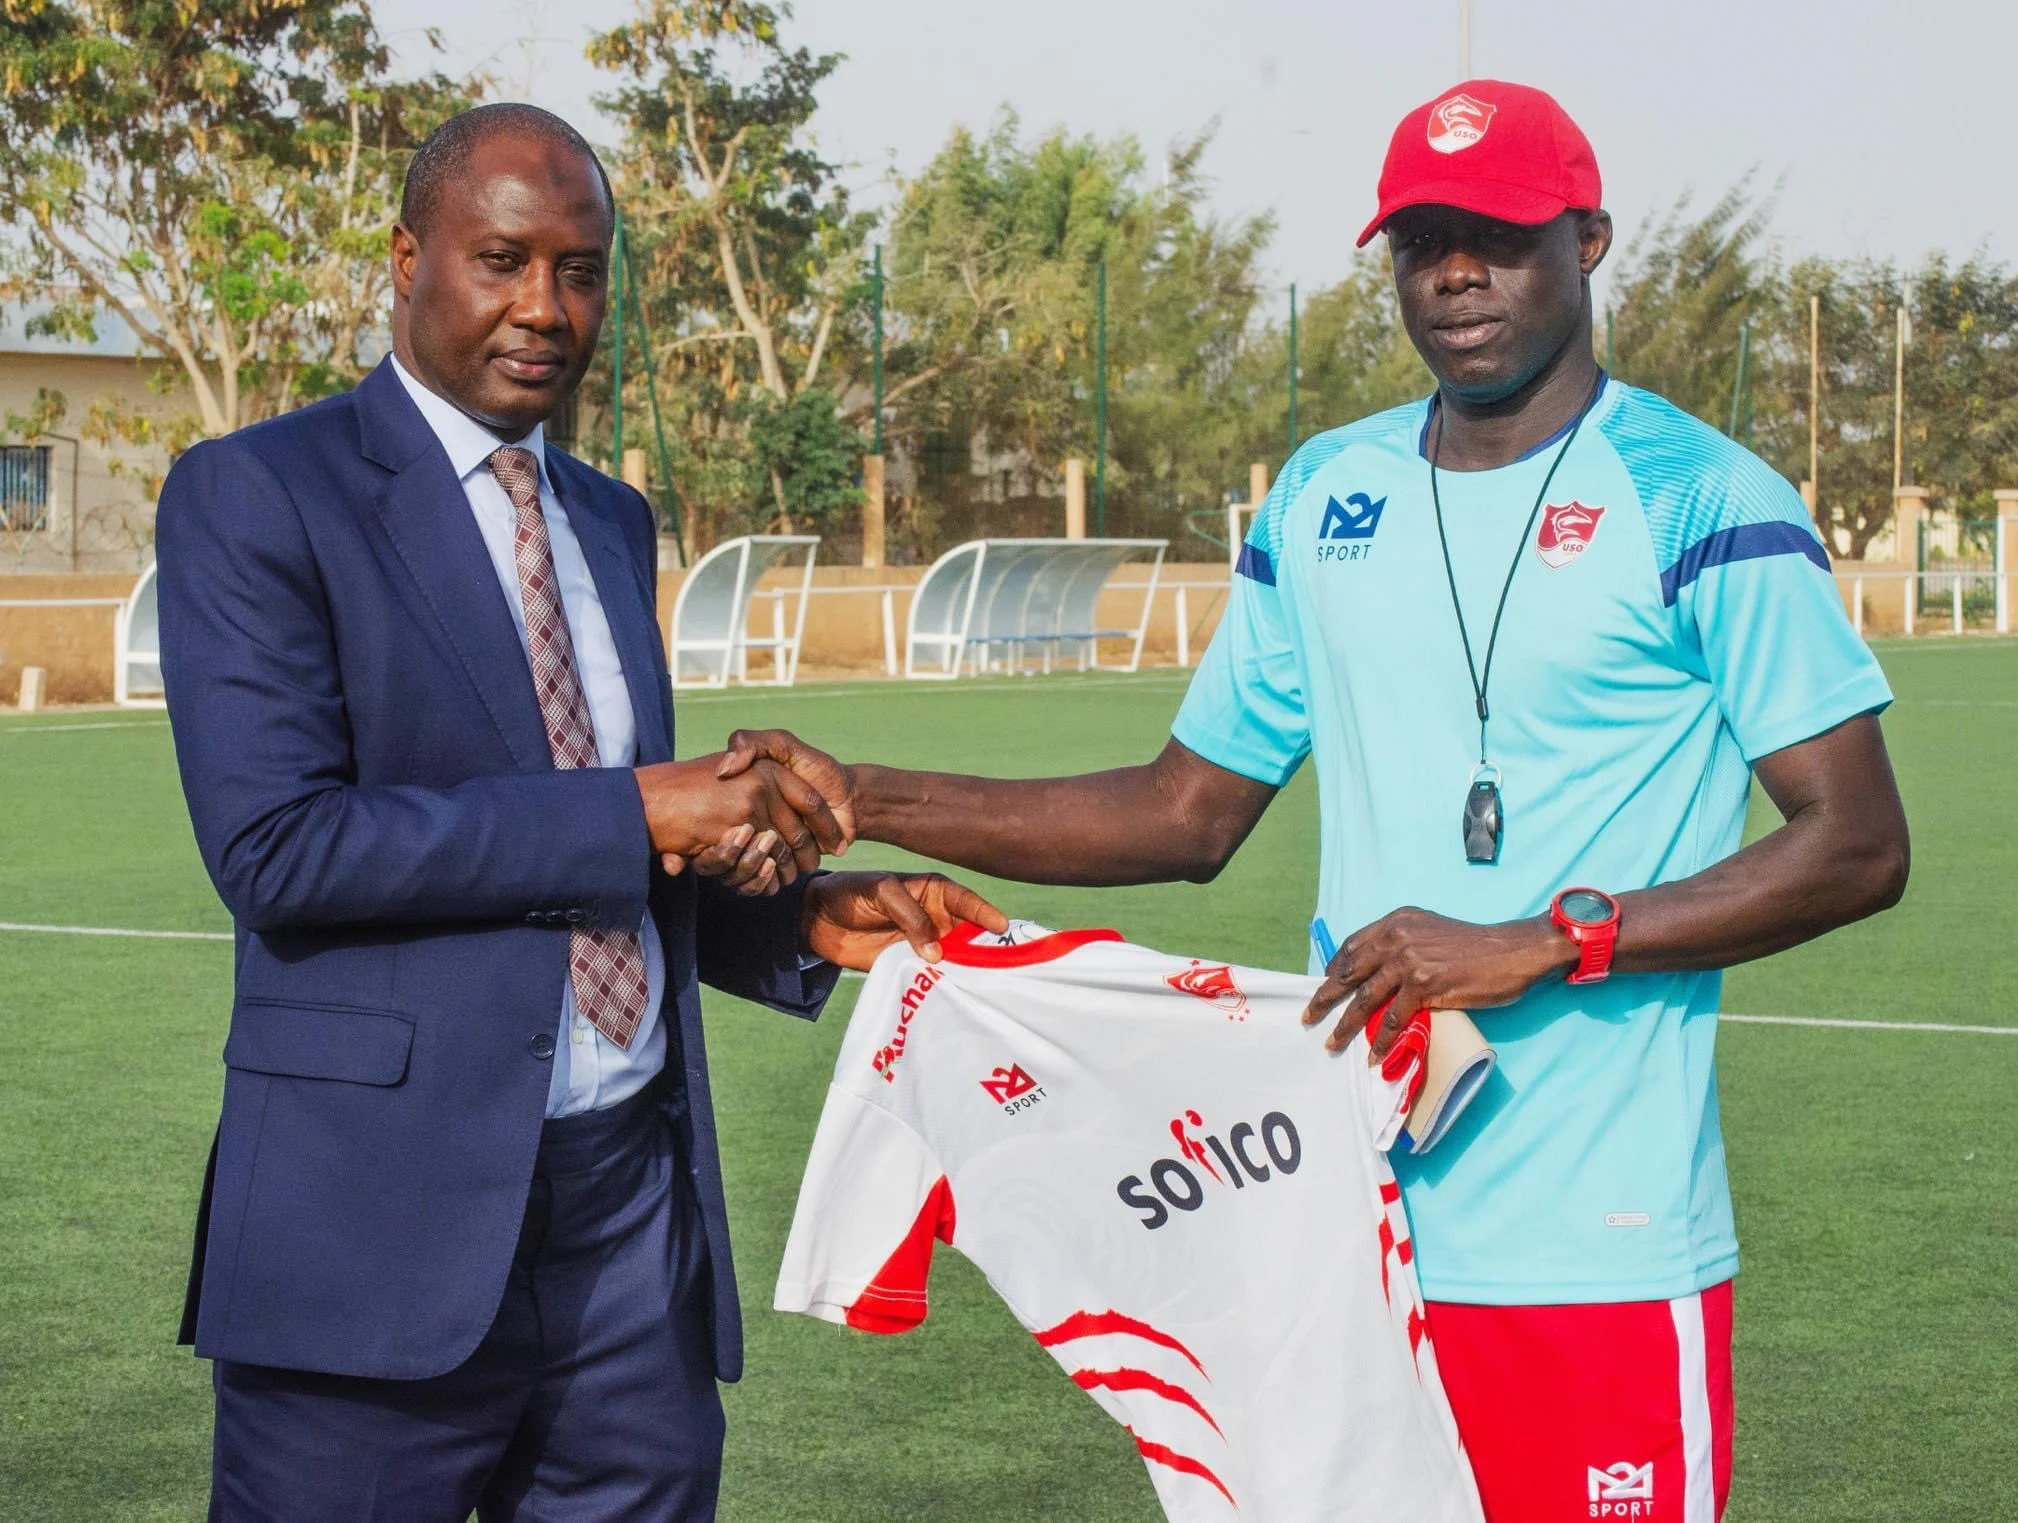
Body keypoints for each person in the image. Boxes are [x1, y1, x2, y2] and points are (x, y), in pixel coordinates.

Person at [720, 81, 1909, 1523]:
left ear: (1589, 241)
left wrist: (1546, 938)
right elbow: (1183, 811)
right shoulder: (1327, 490)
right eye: (1420, 243)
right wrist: (867, 795)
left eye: (1498, 236)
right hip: (1339, 1222)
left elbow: (1857, 843)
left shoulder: (1703, 497)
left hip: (1594, 1243)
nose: (1454, 274)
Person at [156, 102, 1001, 1522]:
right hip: (375, 1229)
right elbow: (280, 851)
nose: (546, 307)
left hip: (628, 1238)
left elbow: (616, 866)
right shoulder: (257, 494)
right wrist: (638, 807)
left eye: (582, 270)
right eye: (503, 260)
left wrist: (802, 919)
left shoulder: (610, 520)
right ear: (408, 260)